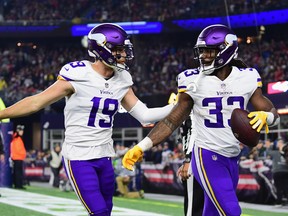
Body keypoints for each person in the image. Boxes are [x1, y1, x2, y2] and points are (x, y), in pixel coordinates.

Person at [0, 23, 173, 216]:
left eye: (123, 50)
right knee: (98, 212)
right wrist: (2, 114)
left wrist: (178, 107)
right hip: (79, 157)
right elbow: (36, 102)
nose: (123, 55)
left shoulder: (123, 78)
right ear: (101, 49)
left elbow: (145, 115)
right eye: (118, 50)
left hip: (105, 155)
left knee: (106, 210)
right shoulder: (78, 74)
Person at [122, 24, 280, 215]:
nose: (203, 56)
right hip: (207, 156)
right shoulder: (193, 80)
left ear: (226, 50)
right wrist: (142, 146)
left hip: (232, 157)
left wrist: (268, 117)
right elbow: (172, 120)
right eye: (202, 52)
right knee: (231, 211)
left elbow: (271, 110)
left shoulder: (247, 77)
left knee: (212, 212)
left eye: (209, 51)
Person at [177, 116, 204, 216]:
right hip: (201, 158)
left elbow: (195, 131)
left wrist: (189, 159)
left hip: (198, 160)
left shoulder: (192, 111)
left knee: (193, 208)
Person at [266, 139, 288, 206]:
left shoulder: (276, 152)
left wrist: (270, 145)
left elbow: (268, 152)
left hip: (277, 171)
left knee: (279, 187)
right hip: (286, 171)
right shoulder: (286, 153)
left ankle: (279, 202)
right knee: (286, 187)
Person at [10, 125, 26, 189]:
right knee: (17, 172)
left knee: (18, 172)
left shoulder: (17, 138)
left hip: (19, 157)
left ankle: (19, 184)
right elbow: (18, 149)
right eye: (21, 130)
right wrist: (23, 154)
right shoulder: (16, 138)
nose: (22, 132)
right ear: (18, 130)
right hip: (17, 157)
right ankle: (18, 185)